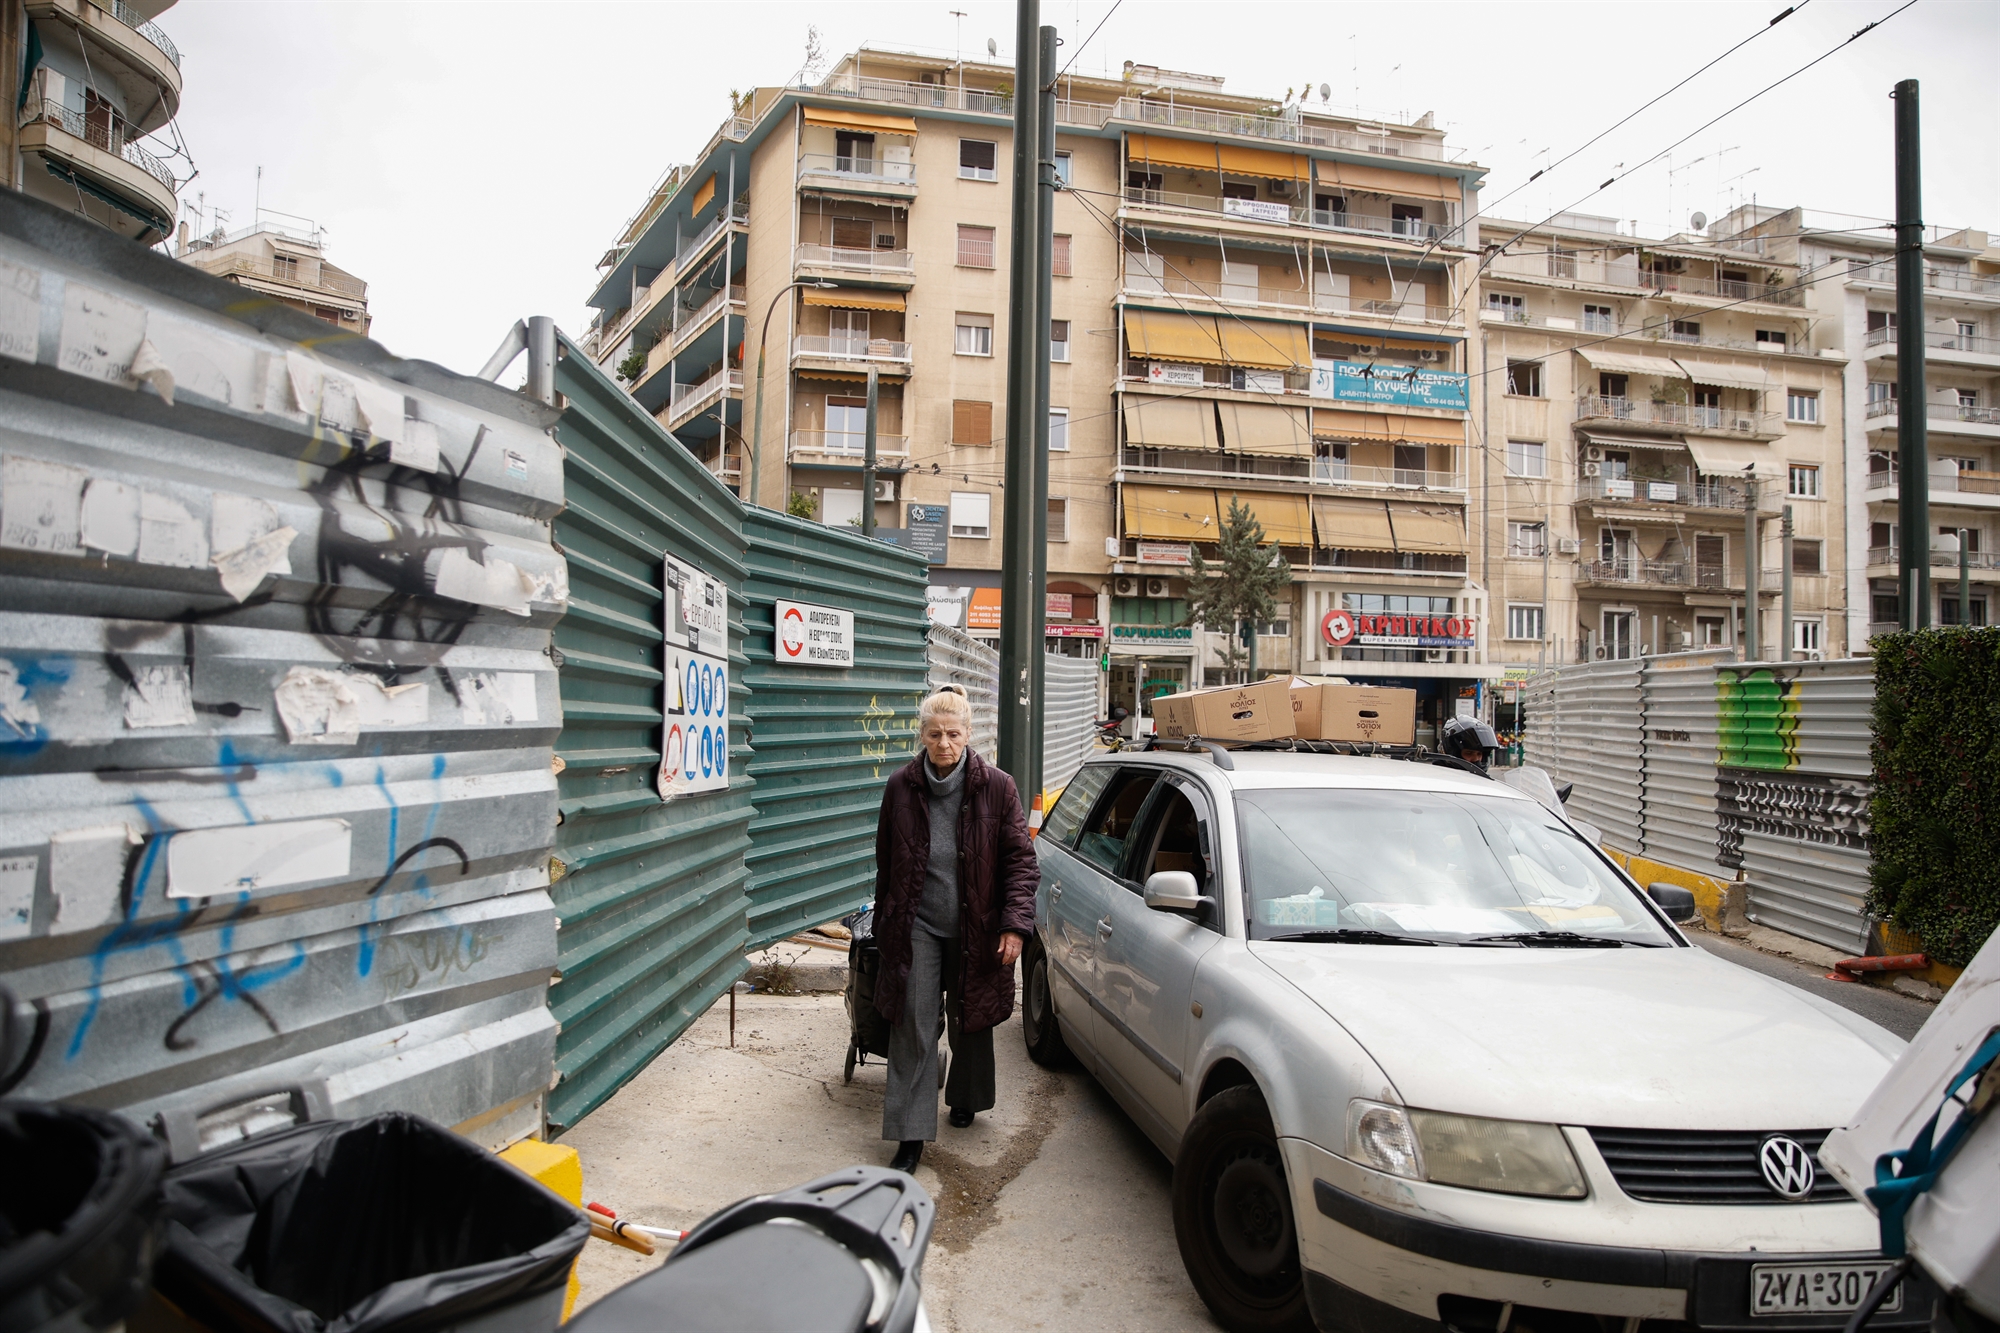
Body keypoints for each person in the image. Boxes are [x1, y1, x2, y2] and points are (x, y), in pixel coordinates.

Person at [871, 685, 1038, 1174]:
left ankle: (965, 1096)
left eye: (953, 733)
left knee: (972, 1019)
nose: (944, 743)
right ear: (921, 735)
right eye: (935, 733)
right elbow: (887, 861)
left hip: (978, 925)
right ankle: (909, 1135)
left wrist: (1014, 926)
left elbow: (1020, 863)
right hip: (917, 924)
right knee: (914, 1027)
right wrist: (886, 922)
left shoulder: (998, 787)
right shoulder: (901, 786)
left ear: (969, 734)